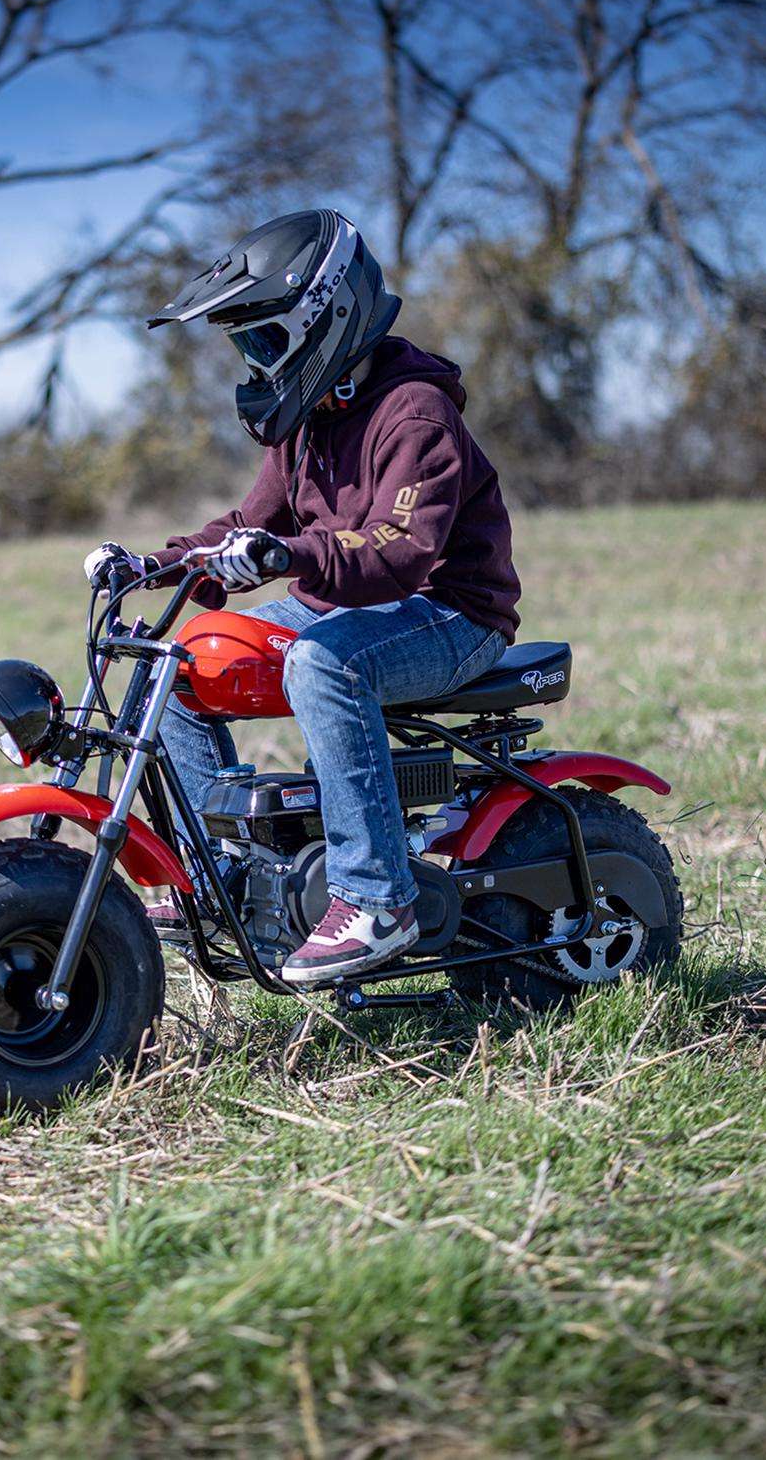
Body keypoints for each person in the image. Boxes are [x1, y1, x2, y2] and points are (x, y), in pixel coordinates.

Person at [84, 209, 520, 986]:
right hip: (349, 608)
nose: (255, 361)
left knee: (323, 664)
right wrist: (150, 567)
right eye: (245, 345)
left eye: (264, 340)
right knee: (180, 661)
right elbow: (246, 528)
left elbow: (399, 552)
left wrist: (289, 554)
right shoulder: (311, 418)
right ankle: (212, 878)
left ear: (326, 320)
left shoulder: (415, 413)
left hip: (450, 613)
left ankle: (375, 898)